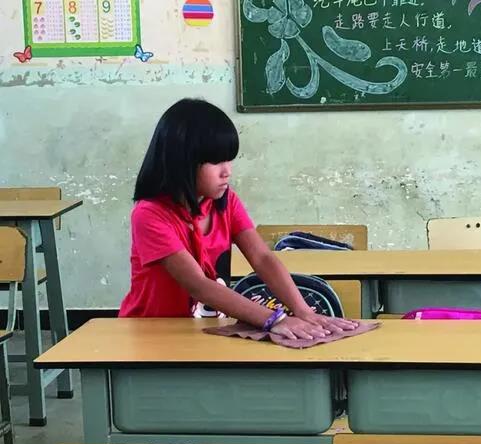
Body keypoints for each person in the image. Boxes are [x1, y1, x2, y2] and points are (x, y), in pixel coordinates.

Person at [118, 98, 359, 340]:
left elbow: (262, 258)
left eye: (228, 160)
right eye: (215, 161)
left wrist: (303, 311)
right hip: (153, 334)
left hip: (206, 331)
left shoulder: (226, 201)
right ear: (181, 161)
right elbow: (198, 285)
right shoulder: (150, 214)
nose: (227, 171)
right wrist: (275, 319)